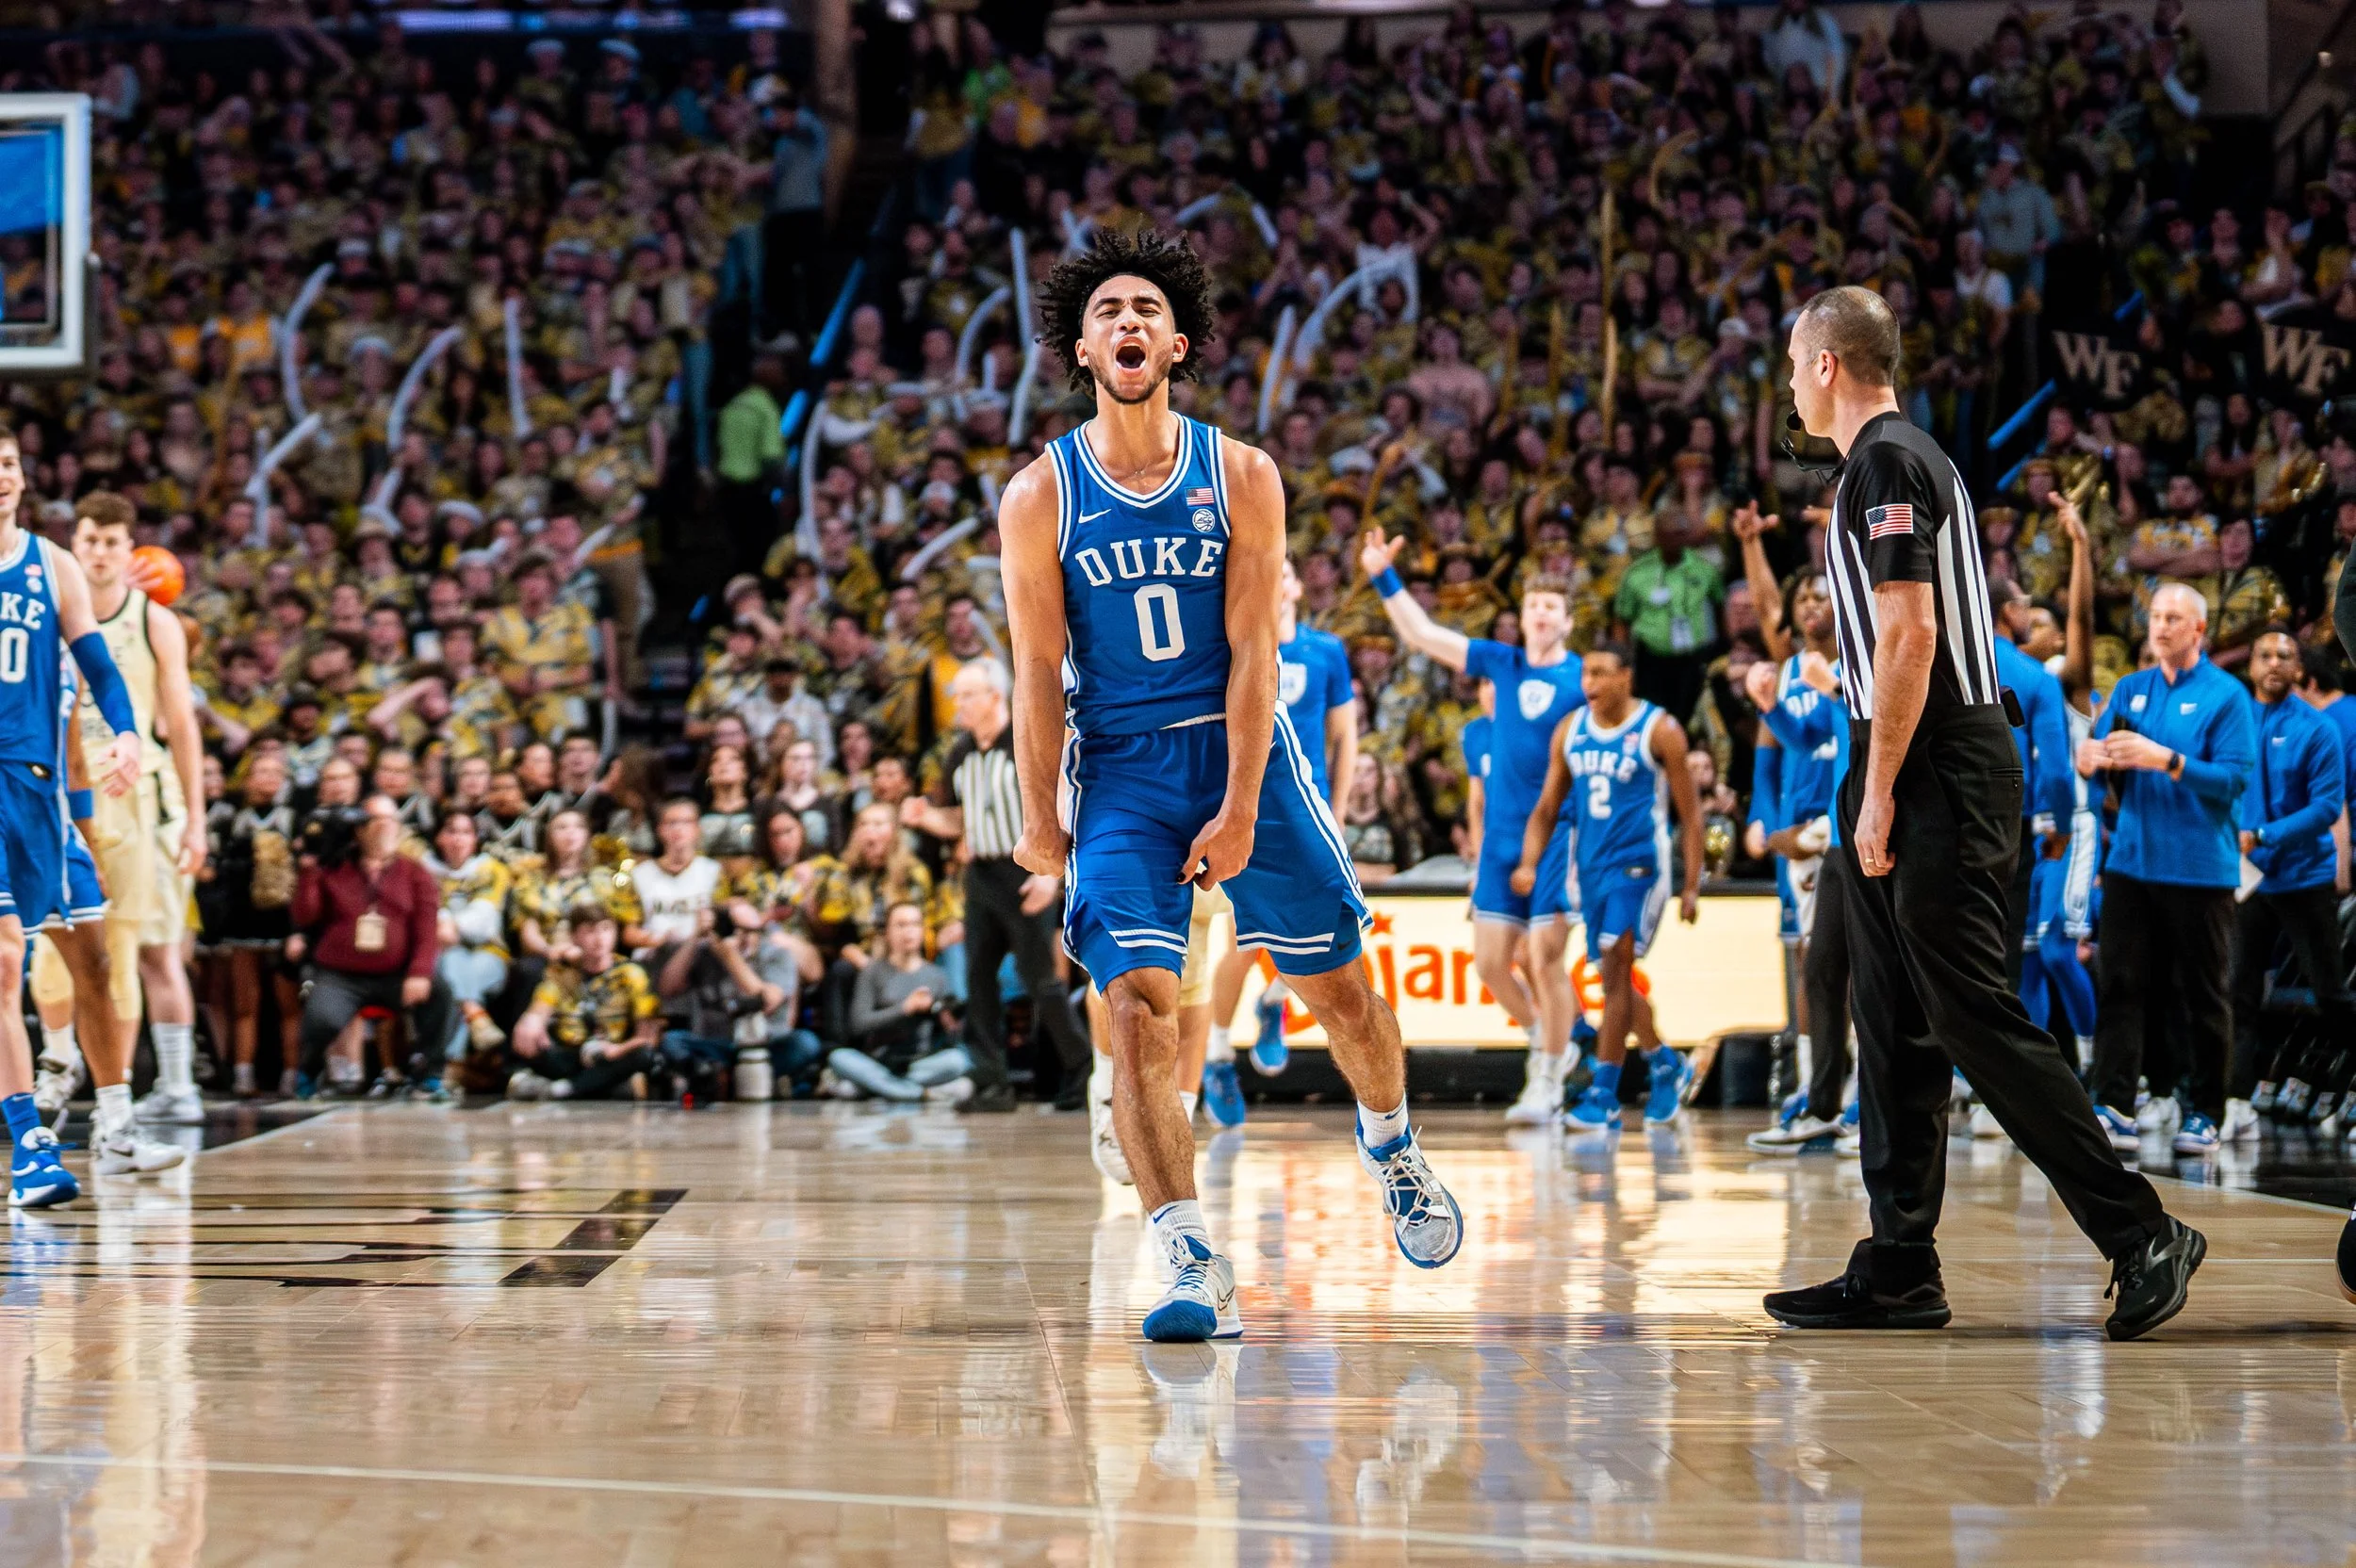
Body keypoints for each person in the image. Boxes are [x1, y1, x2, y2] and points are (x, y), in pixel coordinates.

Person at [1000, 230, 1462, 1344]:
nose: (1126, 322)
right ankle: (1188, 1257)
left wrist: (1245, 803)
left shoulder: (1241, 474)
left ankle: (1391, 1142)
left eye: (1145, 308)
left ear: (1178, 342)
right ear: (1079, 346)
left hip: (1238, 747)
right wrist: (1038, 815)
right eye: (1105, 308)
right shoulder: (1037, 494)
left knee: (1345, 1001)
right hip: (1117, 766)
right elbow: (1032, 667)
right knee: (1135, 1008)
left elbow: (1259, 654)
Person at [1757, 287, 2198, 1342]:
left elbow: (1910, 639)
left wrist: (1874, 791)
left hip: (1935, 750)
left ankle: (2141, 1232)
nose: (1784, 383)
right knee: (1893, 1016)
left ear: (1825, 365)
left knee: (1967, 1014)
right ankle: (1901, 1261)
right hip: (1906, 742)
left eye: (1789, 364)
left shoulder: (1888, 462)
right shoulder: (1891, 463)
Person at [1361, 530, 1585, 1127]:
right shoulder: (1500, 662)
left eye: (1551, 607)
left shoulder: (1584, 678)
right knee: (1489, 964)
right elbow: (1422, 634)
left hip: (1557, 835)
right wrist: (1385, 577)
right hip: (1500, 842)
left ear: (1566, 621)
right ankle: (1549, 1042)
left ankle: (1547, 1079)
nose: (1540, 614)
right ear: (1522, 616)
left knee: (1546, 959)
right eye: (1533, 605)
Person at [0, 427, 160, 1205]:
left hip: (41, 794)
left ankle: (117, 1115)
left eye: (8, 465)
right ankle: (30, 1142)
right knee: (4, 962)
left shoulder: (50, 565)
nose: (0, 478)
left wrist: (127, 733)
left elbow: (96, 667)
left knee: (93, 959)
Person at [28, 493, 212, 1128]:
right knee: (45, 947)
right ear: (73, 546)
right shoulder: (48, 608)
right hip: (60, 787)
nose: (100, 552)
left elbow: (182, 727)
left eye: (111, 541)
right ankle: (58, 1061)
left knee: (136, 947)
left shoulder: (154, 619)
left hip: (136, 796)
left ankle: (137, 1095)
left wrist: (197, 816)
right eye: (90, 540)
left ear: (131, 550)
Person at [2078, 582, 2255, 1154]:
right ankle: (2113, 1103)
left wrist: (2168, 760)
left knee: (2203, 994)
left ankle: (2205, 1110)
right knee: (2121, 983)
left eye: (2173, 618)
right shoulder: (2130, 688)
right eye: (2155, 616)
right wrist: (2089, 758)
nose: (2160, 627)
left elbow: (2233, 781)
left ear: (2198, 630)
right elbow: (2100, 763)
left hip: (2201, 868)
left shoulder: (2226, 696)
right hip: (2132, 862)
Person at [1514, 642, 1705, 1135]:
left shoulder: (1659, 729)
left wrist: (1691, 882)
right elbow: (1546, 806)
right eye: (1585, 675)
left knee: (1617, 965)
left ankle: (1604, 1094)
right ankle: (1664, 1062)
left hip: (1642, 866)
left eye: (1600, 673)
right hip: (1591, 869)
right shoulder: (1571, 730)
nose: (1590, 684)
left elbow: (1690, 812)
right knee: (1613, 979)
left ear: (1626, 677)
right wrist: (1530, 862)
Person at [902, 656, 1092, 1112]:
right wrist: (926, 817)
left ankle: (1080, 1069)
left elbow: (1061, 809)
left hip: (1026, 871)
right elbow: (960, 819)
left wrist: (1052, 876)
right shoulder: (960, 752)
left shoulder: (1024, 743)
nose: (958, 704)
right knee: (977, 979)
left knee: (1039, 978)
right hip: (982, 875)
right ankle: (991, 1080)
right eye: (957, 696)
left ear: (994, 697)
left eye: (967, 695)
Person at [1201, 555, 1356, 1109]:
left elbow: (1346, 735)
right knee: (1244, 942)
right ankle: (1219, 1055)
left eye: (1288, 571)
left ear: (1293, 584)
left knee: (1323, 934)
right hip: (1242, 805)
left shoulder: (1326, 651)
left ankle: (1272, 1002)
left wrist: (1335, 809)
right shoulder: (1231, 642)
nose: (1279, 578)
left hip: (1305, 806)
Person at [2229, 630, 2350, 1139]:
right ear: (2252, 665)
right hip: (2251, 883)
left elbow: (2326, 807)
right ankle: (2235, 1102)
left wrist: (2263, 835)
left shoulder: (2317, 729)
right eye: (2264, 655)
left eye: (2284, 656)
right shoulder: (2233, 722)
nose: (2274, 663)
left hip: (2304, 878)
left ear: (2299, 670)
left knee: (2329, 992)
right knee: (2239, 992)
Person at [287, 793, 459, 1096]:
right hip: (342, 973)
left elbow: (426, 928)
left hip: (396, 973)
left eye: (390, 819)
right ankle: (308, 1070)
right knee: (322, 1018)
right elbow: (306, 915)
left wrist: (419, 972)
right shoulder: (334, 867)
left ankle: (431, 1073)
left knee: (441, 994)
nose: (385, 827)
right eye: (376, 820)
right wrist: (309, 871)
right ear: (359, 828)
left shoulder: (415, 872)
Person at [506, 903, 662, 1102]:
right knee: (527, 1040)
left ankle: (564, 1089)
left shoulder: (631, 974)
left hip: (610, 1053)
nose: (599, 940)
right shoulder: (561, 973)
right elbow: (540, 1008)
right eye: (589, 931)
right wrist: (532, 1020)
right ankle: (598, 1086)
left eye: (606, 930)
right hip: (571, 1053)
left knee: (643, 1056)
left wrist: (616, 1050)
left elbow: (648, 1038)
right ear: (574, 937)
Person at [826, 901, 970, 1102]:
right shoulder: (873, 972)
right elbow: (858, 1024)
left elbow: (952, 1030)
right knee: (838, 1058)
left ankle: (880, 1089)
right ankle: (919, 1093)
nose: (908, 932)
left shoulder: (936, 975)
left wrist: (948, 1020)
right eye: (901, 925)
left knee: (959, 1060)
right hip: (879, 1061)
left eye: (914, 924)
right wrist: (905, 1008)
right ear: (887, 932)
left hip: (920, 1063)